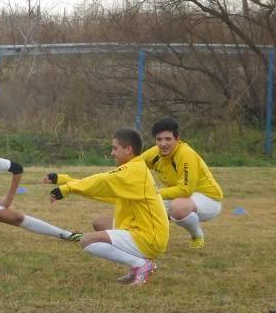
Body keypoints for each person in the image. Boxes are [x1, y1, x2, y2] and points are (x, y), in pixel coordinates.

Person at [44, 128, 169, 286]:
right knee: (100, 223)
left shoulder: (134, 171)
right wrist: (63, 180)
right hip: (142, 229)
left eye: (115, 148)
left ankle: (141, 264)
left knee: (87, 241)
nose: (112, 153)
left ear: (128, 149)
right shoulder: (134, 169)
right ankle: (138, 264)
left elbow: (102, 181)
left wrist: (67, 189)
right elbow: (101, 188)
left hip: (150, 238)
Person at [140, 117, 223, 249]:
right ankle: (152, 240)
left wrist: (153, 192)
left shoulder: (185, 154)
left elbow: (185, 191)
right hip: (179, 197)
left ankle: (197, 235)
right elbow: (134, 166)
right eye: (159, 139)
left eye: (168, 139)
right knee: (144, 206)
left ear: (177, 139)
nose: (163, 144)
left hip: (208, 199)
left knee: (177, 207)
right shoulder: (155, 152)